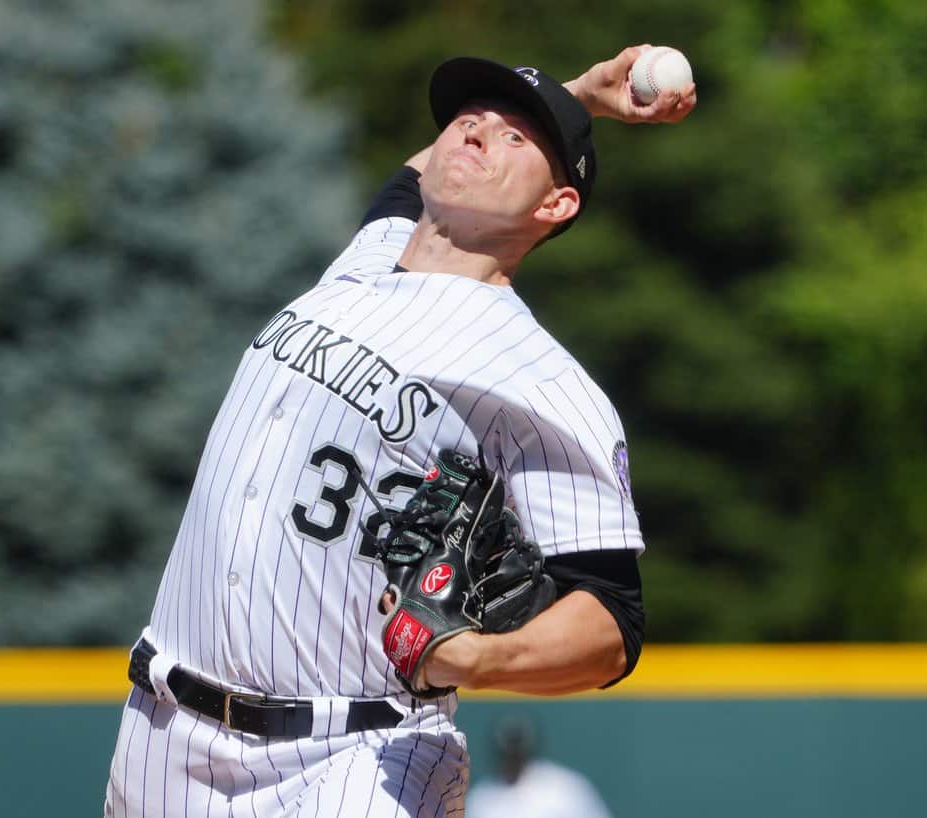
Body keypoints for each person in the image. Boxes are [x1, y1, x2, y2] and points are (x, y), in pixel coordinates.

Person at [105, 45, 695, 818]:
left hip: (356, 759)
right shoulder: (367, 261)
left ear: (556, 206)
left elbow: (613, 618)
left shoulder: (541, 380)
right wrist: (575, 95)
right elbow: (405, 186)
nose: (478, 133)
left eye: (517, 138)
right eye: (469, 120)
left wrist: (480, 657)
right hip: (162, 737)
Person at [465, 718, 613, 818]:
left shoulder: (564, 788)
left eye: (517, 752)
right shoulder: (481, 798)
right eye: (509, 753)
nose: (513, 758)